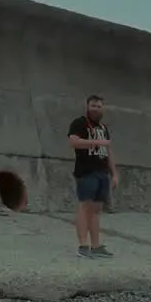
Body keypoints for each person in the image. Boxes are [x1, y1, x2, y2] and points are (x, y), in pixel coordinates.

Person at [67, 94, 118, 258]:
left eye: (99, 106)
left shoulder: (103, 128)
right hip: (86, 171)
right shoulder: (79, 123)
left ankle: (96, 246)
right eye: (93, 105)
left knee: (96, 210)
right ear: (87, 107)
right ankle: (83, 246)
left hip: (102, 172)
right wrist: (96, 143)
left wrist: (114, 173)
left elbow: (108, 151)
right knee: (84, 207)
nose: (96, 109)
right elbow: (74, 142)